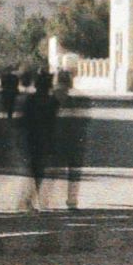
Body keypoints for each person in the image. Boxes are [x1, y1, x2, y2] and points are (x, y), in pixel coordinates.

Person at [52, 70, 85, 208]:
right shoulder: (75, 99)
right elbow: (82, 121)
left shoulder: (51, 97)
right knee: (73, 171)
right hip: (73, 139)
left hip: (55, 138)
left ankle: (49, 200)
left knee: (54, 170)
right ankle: (72, 200)